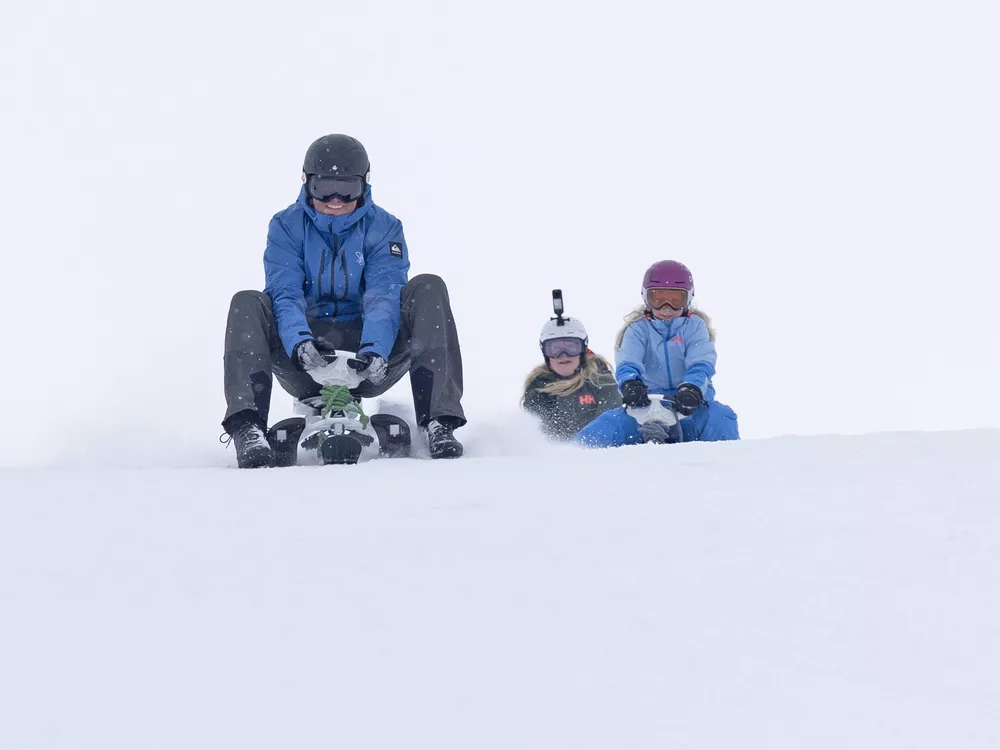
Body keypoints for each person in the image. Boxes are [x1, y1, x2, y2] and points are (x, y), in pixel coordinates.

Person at [222, 134, 466, 467]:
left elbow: (385, 293)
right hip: (305, 356)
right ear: (307, 184)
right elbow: (285, 292)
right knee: (247, 302)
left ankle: (438, 422)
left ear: (364, 186)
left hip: (369, 359)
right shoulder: (286, 227)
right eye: (325, 189)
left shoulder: (384, 228)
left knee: (428, 287)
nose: (335, 200)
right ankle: (248, 428)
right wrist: (300, 344)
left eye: (347, 190)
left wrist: (376, 350)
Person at [575, 260, 739, 447]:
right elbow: (628, 362)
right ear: (647, 298)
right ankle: (571, 461)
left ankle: (727, 466)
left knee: (721, 417)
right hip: (645, 409)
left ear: (688, 299)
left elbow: (700, 363)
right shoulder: (637, 329)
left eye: (675, 300)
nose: (666, 308)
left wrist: (692, 389)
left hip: (688, 409)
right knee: (607, 426)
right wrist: (630, 384)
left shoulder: (695, 326)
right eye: (658, 300)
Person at [521, 312, 621, 441]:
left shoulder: (600, 380)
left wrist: (581, 445)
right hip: (556, 457)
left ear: (583, 349)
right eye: (555, 349)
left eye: (571, 347)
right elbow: (538, 434)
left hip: (598, 453)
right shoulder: (539, 387)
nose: (563, 355)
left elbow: (611, 420)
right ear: (545, 353)